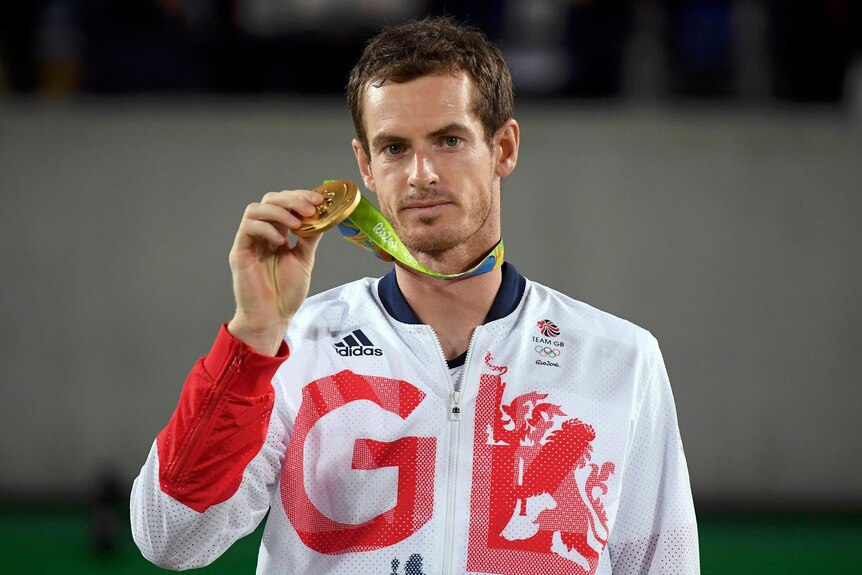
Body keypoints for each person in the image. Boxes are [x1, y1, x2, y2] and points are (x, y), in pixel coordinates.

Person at [131, 16, 700, 575]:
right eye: (395, 148)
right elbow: (170, 539)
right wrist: (252, 337)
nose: (421, 173)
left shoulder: (619, 360)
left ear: (503, 147)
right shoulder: (294, 349)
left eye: (449, 140)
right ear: (366, 167)